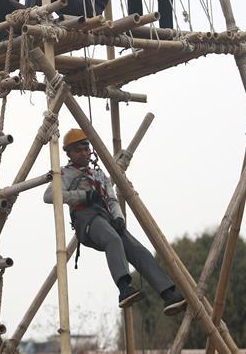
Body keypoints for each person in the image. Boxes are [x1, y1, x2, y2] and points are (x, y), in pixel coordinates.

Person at [43, 128, 187, 315]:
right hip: (86, 220)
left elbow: (111, 199)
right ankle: (124, 288)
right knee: (113, 239)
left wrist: (119, 217)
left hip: (106, 217)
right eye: (78, 150)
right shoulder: (64, 174)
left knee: (137, 249)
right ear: (69, 153)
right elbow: (49, 196)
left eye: (86, 149)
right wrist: (83, 196)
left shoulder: (99, 175)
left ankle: (167, 293)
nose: (84, 153)